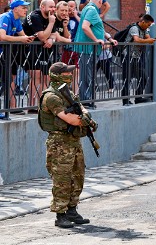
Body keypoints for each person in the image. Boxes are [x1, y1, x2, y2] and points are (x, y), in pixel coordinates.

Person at [39, 61, 97, 228]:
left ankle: (72, 210)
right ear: (57, 75)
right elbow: (71, 119)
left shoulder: (66, 92)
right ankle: (60, 214)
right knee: (62, 179)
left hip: (73, 140)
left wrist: (85, 116)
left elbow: (80, 108)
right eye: (66, 73)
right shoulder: (51, 97)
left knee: (77, 176)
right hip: (59, 143)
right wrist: (85, 120)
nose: (70, 75)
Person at [74, 0, 117, 107]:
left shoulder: (89, 9)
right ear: (99, 1)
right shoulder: (92, 10)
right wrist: (95, 40)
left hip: (90, 49)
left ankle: (89, 101)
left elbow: (98, 28)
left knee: (88, 75)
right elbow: (84, 27)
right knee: (86, 76)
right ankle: (86, 102)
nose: (102, 5)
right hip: (87, 48)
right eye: (102, 3)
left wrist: (109, 38)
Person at [0, 0, 35, 108]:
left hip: (4, 53)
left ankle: (7, 109)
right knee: (4, 81)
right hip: (2, 53)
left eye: (26, 7)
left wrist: (30, 38)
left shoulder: (17, 21)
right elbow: (2, 36)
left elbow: (23, 35)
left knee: (7, 80)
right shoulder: (5, 17)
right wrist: (22, 39)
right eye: (23, 7)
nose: (26, 10)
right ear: (15, 9)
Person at [23, 0, 58, 103]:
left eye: (54, 7)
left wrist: (51, 39)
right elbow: (42, 37)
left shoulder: (51, 17)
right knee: (36, 76)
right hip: (30, 49)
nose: (53, 9)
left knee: (46, 77)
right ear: (43, 7)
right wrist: (51, 23)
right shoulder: (35, 16)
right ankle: (32, 105)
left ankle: (44, 105)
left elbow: (53, 34)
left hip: (44, 50)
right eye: (50, 7)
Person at [121, 14, 155, 105]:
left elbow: (147, 37)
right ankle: (125, 100)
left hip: (136, 56)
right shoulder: (134, 28)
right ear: (143, 22)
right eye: (148, 25)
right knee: (127, 78)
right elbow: (136, 39)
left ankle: (138, 97)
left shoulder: (144, 29)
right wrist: (148, 41)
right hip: (127, 56)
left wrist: (148, 39)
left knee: (143, 77)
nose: (149, 27)